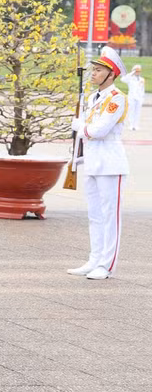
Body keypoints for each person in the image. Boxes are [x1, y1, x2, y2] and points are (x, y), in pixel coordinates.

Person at [69, 47, 130, 281]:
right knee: (95, 215)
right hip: (93, 162)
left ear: (111, 74)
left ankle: (107, 265)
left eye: (98, 70)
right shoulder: (94, 98)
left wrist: (79, 127)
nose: (93, 74)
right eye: (93, 70)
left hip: (111, 164)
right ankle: (94, 259)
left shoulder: (116, 99)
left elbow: (99, 131)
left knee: (110, 216)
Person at [123, 65, 144, 130]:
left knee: (138, 112)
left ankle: (136, 125)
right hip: (132, 97)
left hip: (139, 98)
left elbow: (142, 89)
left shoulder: (142, 79)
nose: (138, 72)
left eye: (139, 71)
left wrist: (142, 98)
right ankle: (131, 125)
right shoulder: (130, 79)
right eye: (136, 71)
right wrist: (132, 73)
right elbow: (123, 79)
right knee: (131, 111)